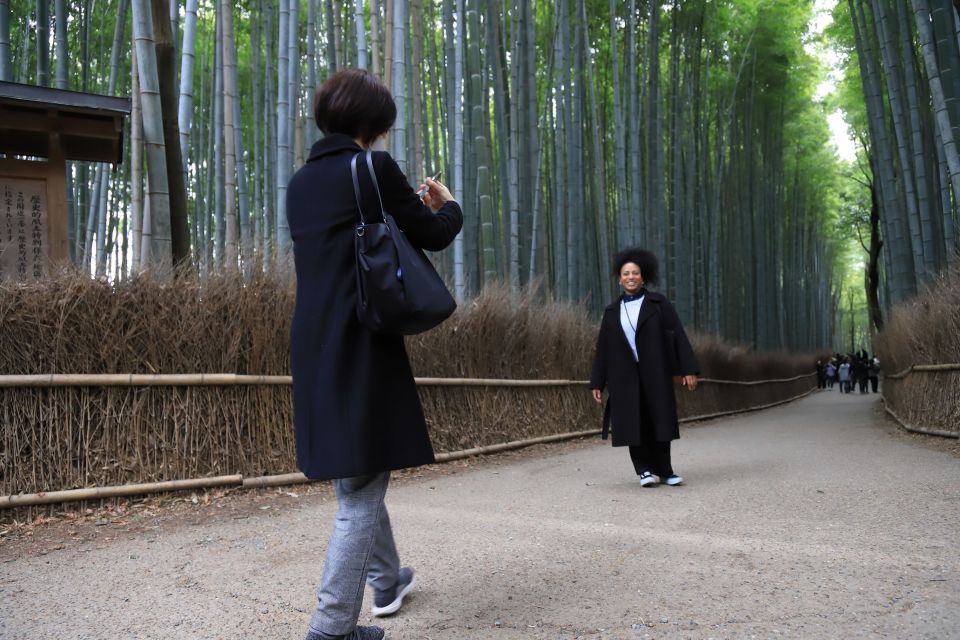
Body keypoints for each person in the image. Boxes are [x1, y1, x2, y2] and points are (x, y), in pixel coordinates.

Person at [286, 68, 464, 640]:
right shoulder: (373, 167)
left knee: (355, 468)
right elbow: (433, 234)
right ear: (372, 122)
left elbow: (343, 245)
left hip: (312, 342)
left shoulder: (300, 183)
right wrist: (449, 205)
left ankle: (386, 581)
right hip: (361, 338)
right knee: (362, 490)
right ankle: (331, 629)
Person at [589, 248, 700, 487]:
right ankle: (643, 470)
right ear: (619, 278)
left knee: (659, 418)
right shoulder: (611, 312)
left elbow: (678, 336)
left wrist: (688, 369)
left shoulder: (658, 304)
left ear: (643, 276)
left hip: (656, 372)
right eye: (626, 273)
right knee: (632, 421)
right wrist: (597, 381)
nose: (630, 277)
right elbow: (604, 349)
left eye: (635, 273)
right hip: (624, 375)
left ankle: (666, 470)